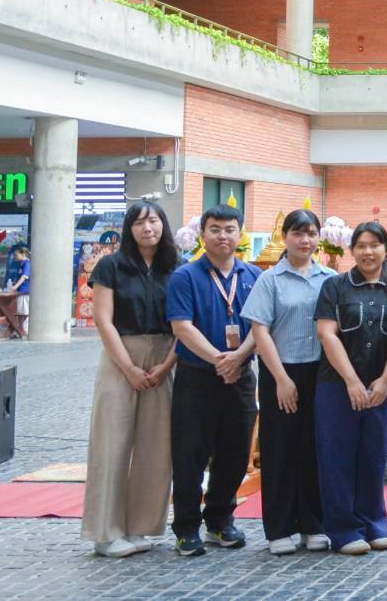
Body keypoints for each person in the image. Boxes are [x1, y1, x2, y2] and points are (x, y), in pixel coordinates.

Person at [80, 200, 179, 557]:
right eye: (138, 223)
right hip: (121, 356)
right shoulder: (111, 266)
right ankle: (105, 533)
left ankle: (140, 527)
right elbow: (104, 322)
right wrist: (129, 368)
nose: (147, 228)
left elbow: (184, 321)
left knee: (156, 446)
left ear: (163, 225)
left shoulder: (176, 266)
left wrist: (167, 365)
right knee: (112, 442)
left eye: (153, 221)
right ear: (129, 228)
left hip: (165, 357)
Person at [166, 205, 261, 557]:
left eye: (230, 229)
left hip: (241, 377)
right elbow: (182, 327)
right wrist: (220, 359)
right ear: (203, 234)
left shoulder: (254, 275)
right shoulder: (185, 276)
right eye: (215, 229)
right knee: (190, 453)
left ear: (241, 234)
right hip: (197, 377)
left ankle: (220, 521)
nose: (223, 236)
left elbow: (261, 325)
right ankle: (186, 528)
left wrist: (237, 358)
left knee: (236, 453)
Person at [243, 208, 335, 556]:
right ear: (285, 237)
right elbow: (259, 330)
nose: (305, 240)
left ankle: (314, 524)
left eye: (311, 233)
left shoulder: (328, 278)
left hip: (320, 373)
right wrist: (281, 378)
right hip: (280, 371)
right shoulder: (271, 280)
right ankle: (279, 528)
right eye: (298, 233)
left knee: (314, 447)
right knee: (279, 447)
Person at [314, 221, 387, 555]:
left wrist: (384, 381)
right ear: (352, 250)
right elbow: (327, 334)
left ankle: (373, 524)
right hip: (337, 387)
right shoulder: (335, 287)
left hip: (381, 387)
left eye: (375, 245)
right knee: (337, 458)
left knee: (374, 456)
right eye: (362, 245)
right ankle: (343, 530)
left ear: (386, 249)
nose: (368, 252)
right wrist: (352, 381)